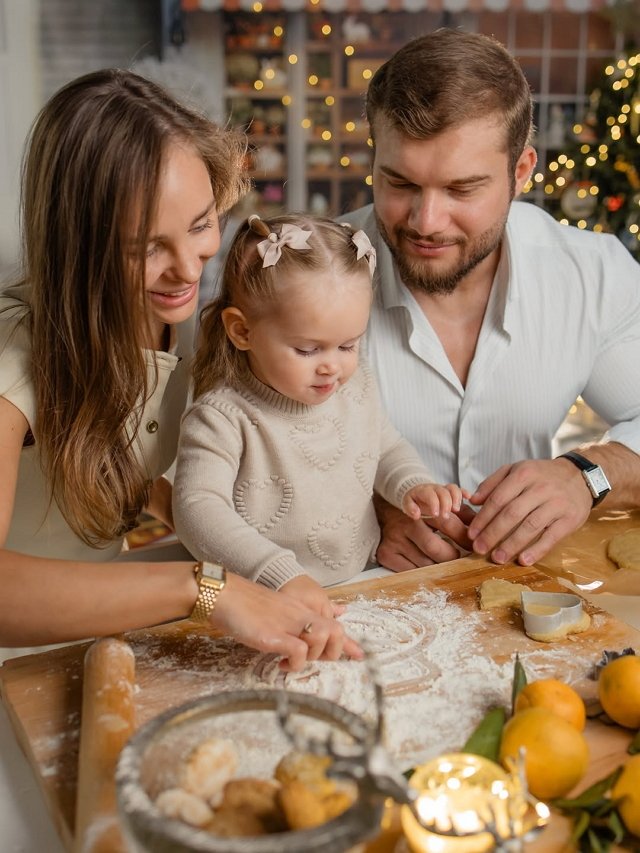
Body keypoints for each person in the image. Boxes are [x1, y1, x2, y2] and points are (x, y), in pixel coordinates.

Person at [0, 68, 362, 672]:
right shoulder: (14, 352)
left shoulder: (181, 318)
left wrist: (246, 552)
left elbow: (113, 466)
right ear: (77, 248)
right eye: (145, 247)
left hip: (100, 641)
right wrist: (204, 587)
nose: (189, 269)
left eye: (200, 225)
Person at [343, 28, 640, 572]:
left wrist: (587, 475)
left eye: (461, 189)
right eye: (400, 183)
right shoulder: (290, 277)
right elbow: (220, 474)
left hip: (530, 597)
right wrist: (362, 511)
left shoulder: (591, 274)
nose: (426, 222)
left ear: (520, 172)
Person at [172, 213, 466, 607]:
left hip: (364, 582)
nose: (333, 366)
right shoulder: (221, 418)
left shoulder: (356, 386)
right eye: (308, 349)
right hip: (260, 602)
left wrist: (413, 484)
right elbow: (197, 510)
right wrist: (279, 574)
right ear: (242, 331)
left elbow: (387, 447)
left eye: (348, 345)